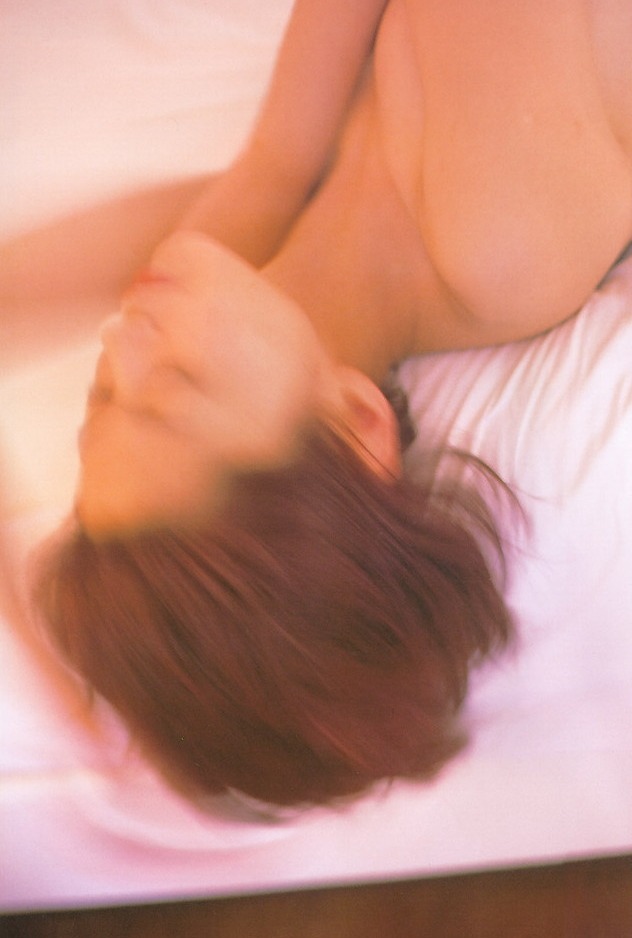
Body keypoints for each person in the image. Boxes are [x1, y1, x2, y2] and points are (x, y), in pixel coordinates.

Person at [34, 0, 632, 808]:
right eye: (177, 386)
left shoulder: (241, 251)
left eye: (102, 394)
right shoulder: (499, 246)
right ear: (355, 421)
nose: (124, 336)